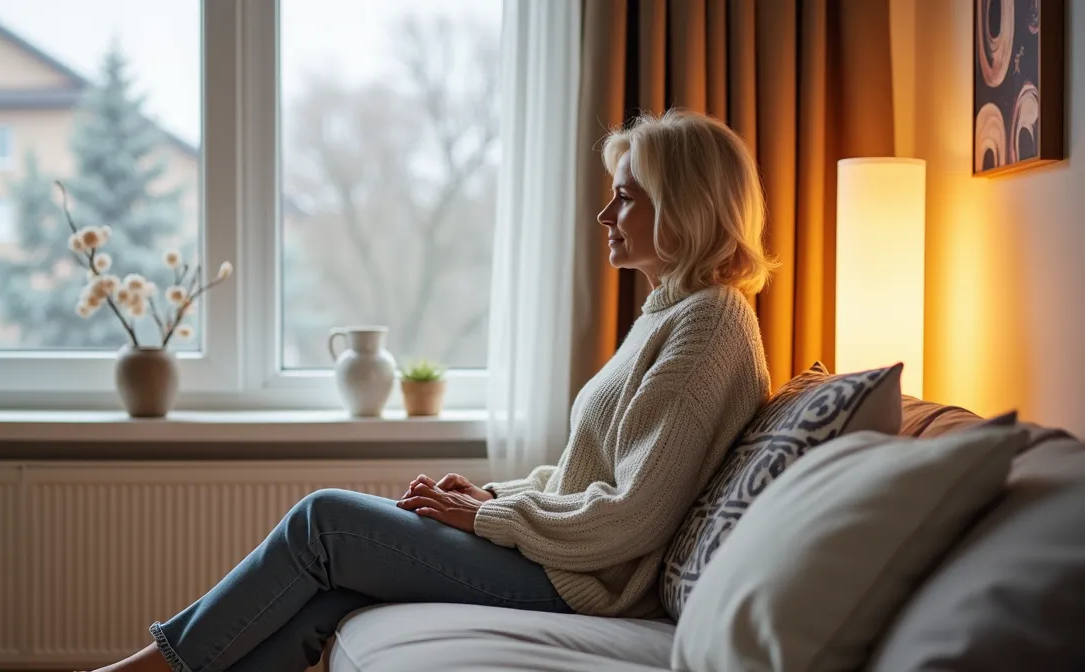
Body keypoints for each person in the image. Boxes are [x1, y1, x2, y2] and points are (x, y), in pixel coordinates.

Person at [91, 109, 776, 672]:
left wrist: (488, 520)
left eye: (625, 197)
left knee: (323, 522)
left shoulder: (710, 324)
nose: (605, 214)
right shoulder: (671, 312)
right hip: (568, 562)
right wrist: (493, 497)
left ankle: (144, 670)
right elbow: (587, 475)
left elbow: (633, 516)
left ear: (684, 206)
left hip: (590, 585)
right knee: (332, 592)